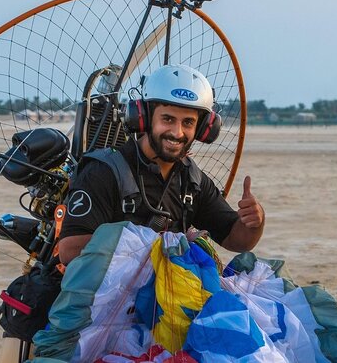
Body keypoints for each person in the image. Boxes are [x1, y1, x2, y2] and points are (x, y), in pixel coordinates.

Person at [58, 64, 264, 265]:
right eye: (168, 119)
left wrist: (254, 222)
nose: (177, 132)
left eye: (188, 123)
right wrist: (148, 253)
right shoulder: (104, 173)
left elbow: (236, 239)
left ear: (203, 129)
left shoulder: (192, 182)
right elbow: (70, 251)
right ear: (144, 118)